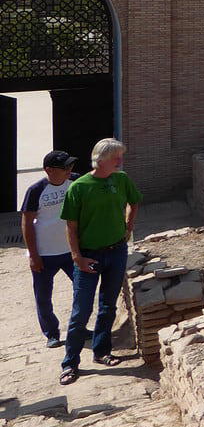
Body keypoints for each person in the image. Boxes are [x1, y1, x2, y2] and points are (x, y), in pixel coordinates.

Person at [58, 138, 142, 385]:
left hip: (116, 252)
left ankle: (102, 351)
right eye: (117, 156)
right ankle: (70, 363)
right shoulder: (79, 187)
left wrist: (129, 225)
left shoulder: (122, 179)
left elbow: (134, 201)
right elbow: (70, 228)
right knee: (81, 311)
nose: (120, 160)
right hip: (89, 255)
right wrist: (77, 257)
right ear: (102, 159)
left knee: (108, 306)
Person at [20, 151, 80, 347]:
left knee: (82, 290)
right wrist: (33, 255)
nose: (69, 171)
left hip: (71, 251)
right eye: (65, 168)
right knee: (43, 297)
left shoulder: (75, 182)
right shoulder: (36, 190)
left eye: (70, 166)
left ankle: (79, 327)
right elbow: (27, 223)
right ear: (49, 170)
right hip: (45, 254)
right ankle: (51, 333)